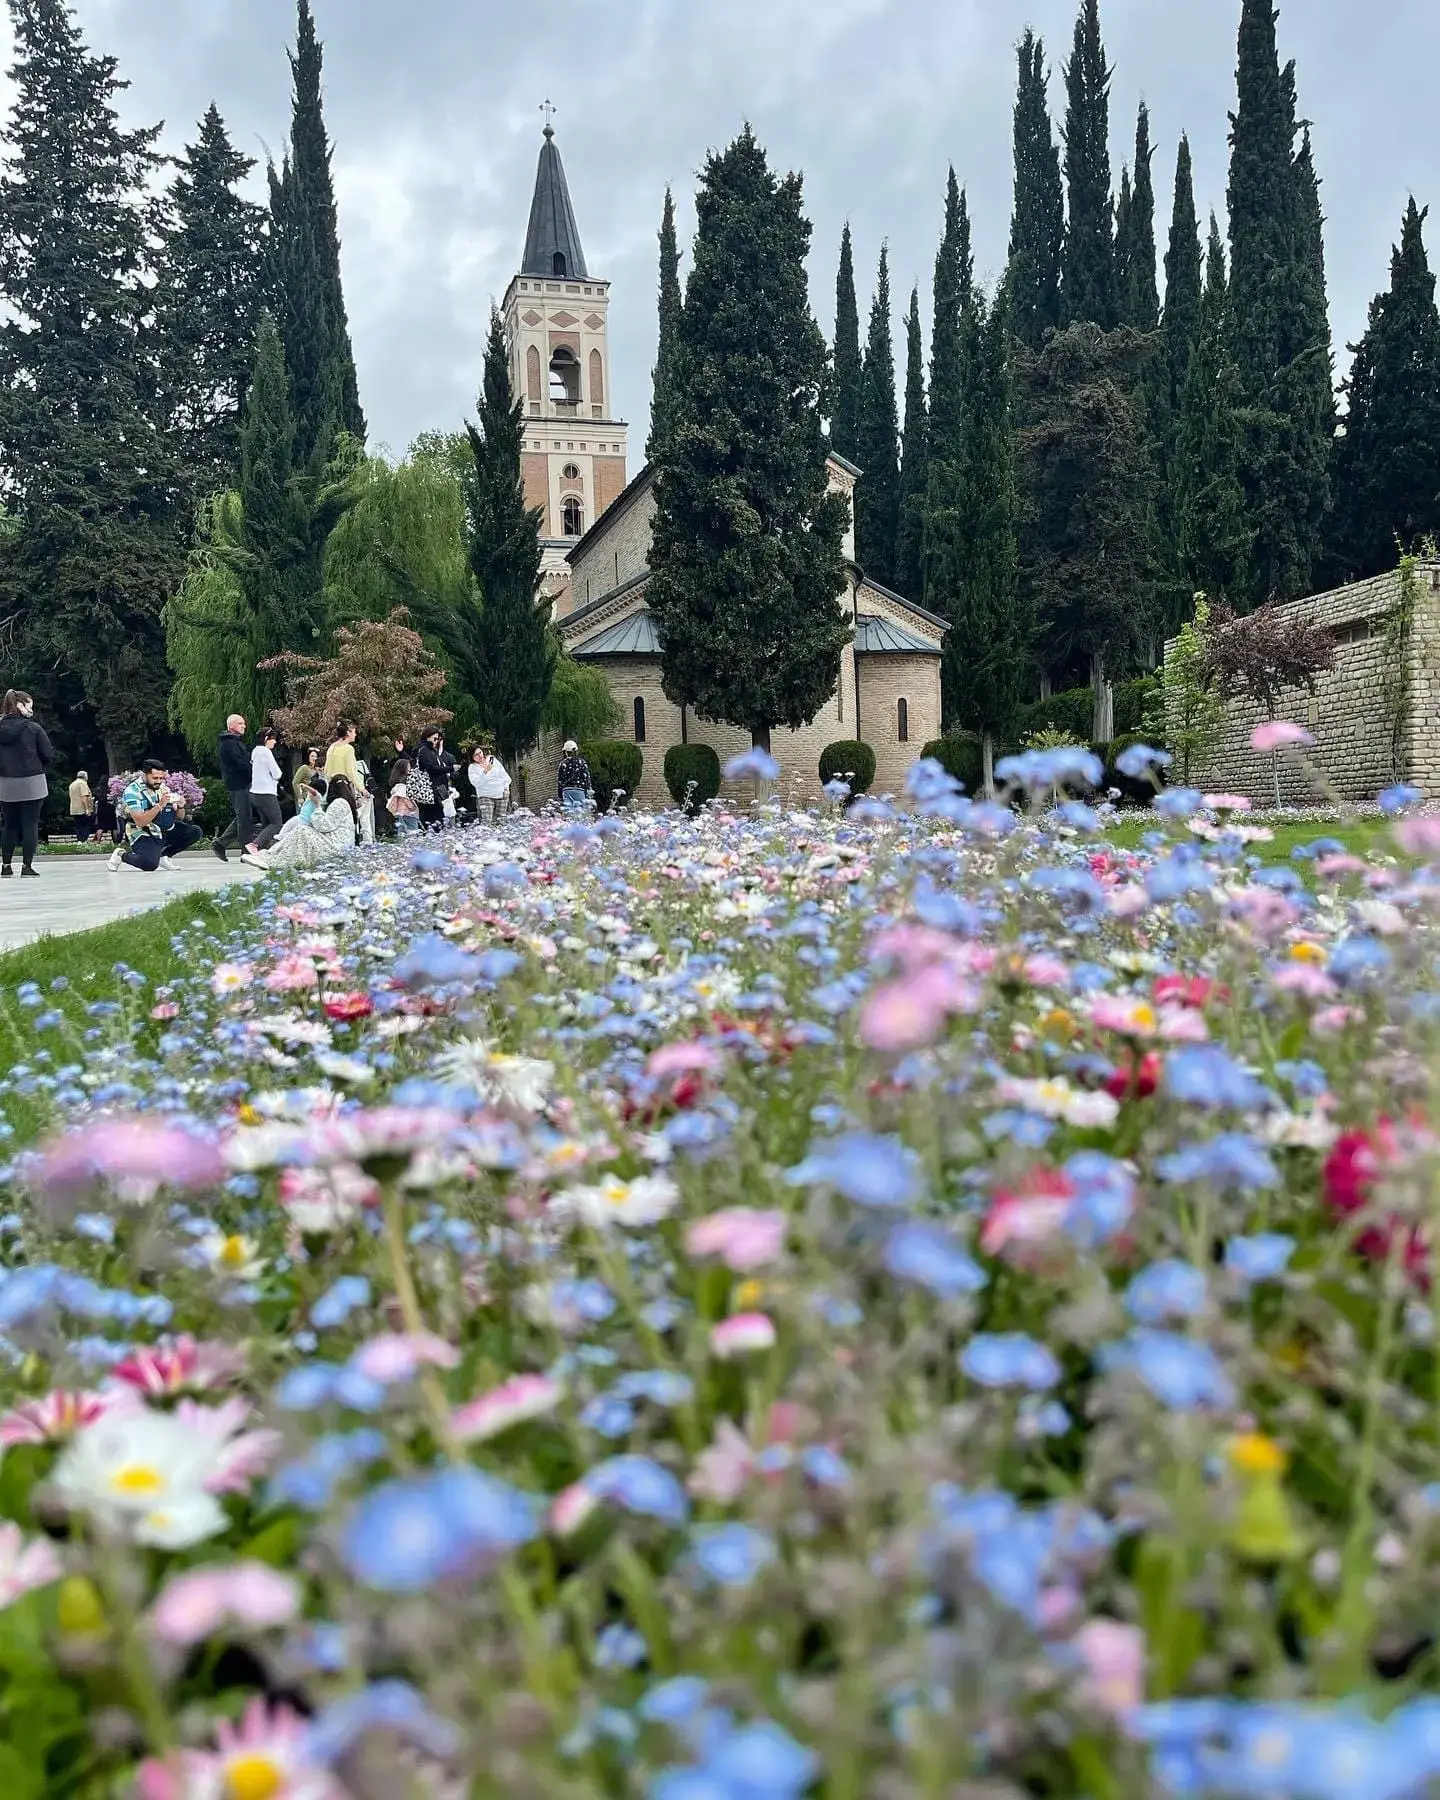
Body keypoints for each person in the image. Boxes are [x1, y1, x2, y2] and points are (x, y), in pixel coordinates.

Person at [244, 774, 357, 872]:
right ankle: (268, 857)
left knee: (302, 830)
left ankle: (268, 859)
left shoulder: (339, 803)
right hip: (338, 845)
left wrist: (317, 805)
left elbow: (324, 825)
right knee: (301, 831)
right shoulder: (344, 803)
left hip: (336, 847)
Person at [110, 758, 204, 873]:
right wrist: (159, 805)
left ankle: (164, 857)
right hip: (142, 831)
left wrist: (180, 806)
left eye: (161, 778)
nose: (158, 781)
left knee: (195, 832)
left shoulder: (162, 788)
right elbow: (140, 821)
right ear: (145, 775)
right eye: (155, 778)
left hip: (163, 828)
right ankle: (121, 854)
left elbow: (179, 817)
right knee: (149, 864)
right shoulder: (132, 792)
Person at [0, 689, 53, 880]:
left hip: (5, 783)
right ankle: (27, 866)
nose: (32, 710)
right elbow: (48, 754)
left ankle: (5, 866)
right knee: (30, 825)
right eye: (30, 706)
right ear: (21, 706)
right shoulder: (33, 728)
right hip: (32, 782)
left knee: (9, 825)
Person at [213, 714, 253, 862]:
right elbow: (240, 764)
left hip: (241, 783)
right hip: (238, 784)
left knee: (244, 816)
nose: (244, 726)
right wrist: (252, 771)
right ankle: (246, 851)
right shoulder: (229, 744)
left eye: (244, 723)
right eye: (240, 723)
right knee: (244, 818)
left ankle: (221, 843)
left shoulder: (234, 742)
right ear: (231, 726)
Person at [249, 727, 284, 852]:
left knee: (266, 824)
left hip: (255, 793)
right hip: (266, 793)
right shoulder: (265, 752)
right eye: (273, 739)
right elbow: (277, 773)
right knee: (276, 823)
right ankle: (255, 844)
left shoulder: (254, 751)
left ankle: (264, 851)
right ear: (265, 739)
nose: (274, 742)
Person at [414, 731, 449, 832]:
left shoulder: (430, 751)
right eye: (435, 738)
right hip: (429, 790)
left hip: (430, 791)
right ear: (427, 738)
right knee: (436, 819)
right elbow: (432, 769)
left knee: (432, 819)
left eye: (438, 739)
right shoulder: (425, 751)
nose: (436, 741)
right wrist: (450, 768)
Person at [468, 748, 511, 826]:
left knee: (500, 821)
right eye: (476, 755)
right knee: (487, 822)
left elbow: (503, 774)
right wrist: (485, 771)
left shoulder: (492, 760)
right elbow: (476, 782)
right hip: (485, 796)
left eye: (480, 752)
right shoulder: (472, 767)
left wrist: (506, 788)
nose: (480, 755)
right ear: (472, 757)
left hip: (501, 793)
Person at [387, 758, 420, 837]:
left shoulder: (396, 784)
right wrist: (413, 806)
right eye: (408, 767)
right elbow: (405, 798)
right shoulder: (404, 784)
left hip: (400, 812)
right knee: (412, 833)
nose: (410, 769)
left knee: (402, 831)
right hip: (408, 812)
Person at [557, 740, 592, 812]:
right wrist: (589, 792)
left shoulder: (563, 763)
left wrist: (560, 794)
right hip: (579, 790)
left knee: (569, 813)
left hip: (566, 790)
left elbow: (560, 780)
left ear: (566, 752)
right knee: (580, 812)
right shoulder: (582, 762)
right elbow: (586, 778)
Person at [324, 721, 360, 791]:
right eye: (354, 732)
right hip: (345, 786)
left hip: (332, 785)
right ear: (348, 733)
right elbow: (350, 771)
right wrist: (361, 788)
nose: (355, 735)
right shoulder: (348, 749)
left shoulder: (332, 747)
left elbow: (326, 769)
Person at [68, 769, 96, 843]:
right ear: (85, 776)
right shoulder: (83, 784)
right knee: (86, 826)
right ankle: (83, 841)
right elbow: (84, 796)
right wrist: (87, 809)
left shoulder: (72, 784)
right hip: (82, 809)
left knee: (78, 826)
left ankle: (79, 841)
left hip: (74, 809)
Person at [292, 747, 321, 813]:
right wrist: (299, 797)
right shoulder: (304, 768)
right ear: (308, 757)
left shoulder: (319, 769)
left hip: (318, 797)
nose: (314, 758)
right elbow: (295, 782)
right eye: (312, 756)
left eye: (316, 756)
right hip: (307, 797)